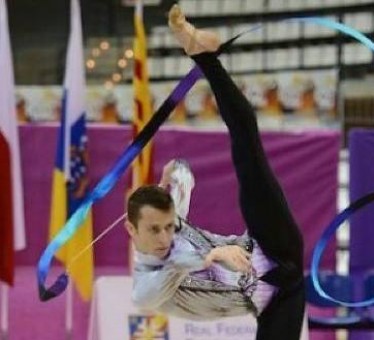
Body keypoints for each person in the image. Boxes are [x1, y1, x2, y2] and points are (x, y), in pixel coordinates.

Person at [126, 5, 305, 339]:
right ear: (131, 230)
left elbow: (184, 176)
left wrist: (173, 173)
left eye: (167, 226)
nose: (165, 237)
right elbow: (178, 265)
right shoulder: (144, 288)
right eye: (154, 230)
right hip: (276, 300)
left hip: (269, 244)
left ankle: (204, 57)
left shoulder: (169, 218)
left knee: (248, 140)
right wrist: (214, 254)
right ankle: (203, 55)